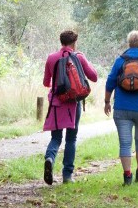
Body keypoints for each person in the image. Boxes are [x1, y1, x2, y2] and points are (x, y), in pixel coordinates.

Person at [103, 30, 138, 186]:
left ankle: (127, 177)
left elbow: (110, 82)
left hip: (122, 108)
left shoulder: (120, 61)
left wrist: (107, 101)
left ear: (129, 43)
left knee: (125, 143)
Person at [42, 30, 99, 185]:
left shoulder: (51, 58)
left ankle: (50, 158)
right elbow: (94, 77)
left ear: (61, 42)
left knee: (55, 137)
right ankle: (67, 176)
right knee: (71, 139)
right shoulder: (79, 57)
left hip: (57, 103)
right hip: (73, 103)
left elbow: (46, 82)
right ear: (74, 42)